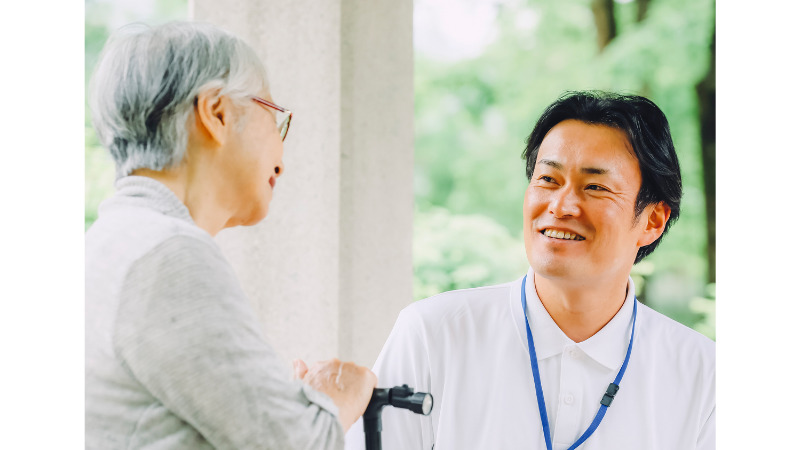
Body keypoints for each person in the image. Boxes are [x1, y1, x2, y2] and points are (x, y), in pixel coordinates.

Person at [344, 91, 715, 450]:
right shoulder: (433, 333)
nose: (561, 205)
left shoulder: (704, 374)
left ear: (652, 219)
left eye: (595, 186)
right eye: (548, 180)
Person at [85, 21, 377, 449]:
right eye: (275, 117)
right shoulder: (168, 255)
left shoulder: (107, 245)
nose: (282, 160)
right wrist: (333, 398)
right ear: (216, 113)